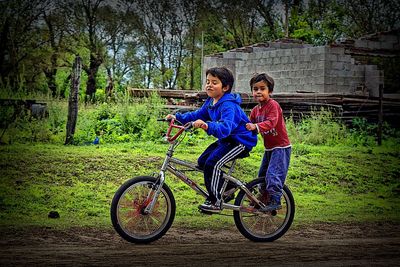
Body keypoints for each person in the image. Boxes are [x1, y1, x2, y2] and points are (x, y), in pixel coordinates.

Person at [166, 67, 257, 213]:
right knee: (203, 162)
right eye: (208, 81)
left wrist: (207, 125)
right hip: (227, 140)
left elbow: (226, 127)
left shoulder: (228, 105)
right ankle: (227, 189)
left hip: (240, 141)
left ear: (225, 87)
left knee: (212, 164)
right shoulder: (211, 102)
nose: (209, 85)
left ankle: (215, 201)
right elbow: (198, 114)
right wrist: (178, 118)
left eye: (214, 82)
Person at [245, 73, 291, 211]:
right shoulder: (255, 111)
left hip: (281, 147)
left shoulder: (273, 105)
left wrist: (256, 127)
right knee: (262, 176)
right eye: (255, 89)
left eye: (262, 88)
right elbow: (248, 125)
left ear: (269, 91)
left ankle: (275, 200)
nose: (258, 91)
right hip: (269, 148)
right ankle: (263, 199)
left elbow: (271, 122)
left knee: (273, 175)